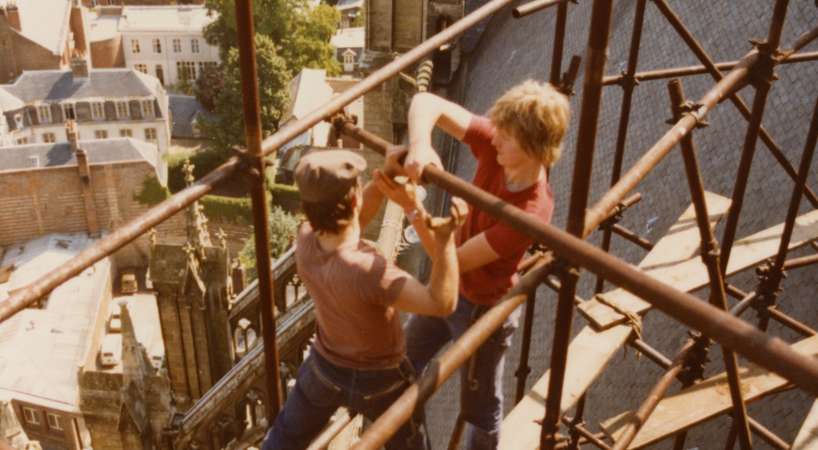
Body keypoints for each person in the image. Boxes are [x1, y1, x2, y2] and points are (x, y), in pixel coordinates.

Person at [375, 80, 570, 449]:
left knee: (480, 408)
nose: (494, 139)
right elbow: (425, 100)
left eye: (506, 137)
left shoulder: (529, 212)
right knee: (400, 371)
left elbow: (450, 261)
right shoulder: (498, 146)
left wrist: (412, 207)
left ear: (532, 148)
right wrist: (420, 143)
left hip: (481, 307)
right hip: (448, 294)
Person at [262, 149, 466, 450]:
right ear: (355, 200)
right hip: (380, 381)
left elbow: (353, 219)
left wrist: (387, 177)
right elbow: (441, 303)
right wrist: (445, 240)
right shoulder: (369, 270)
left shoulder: (304, 240)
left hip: (324, 369)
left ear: (308, 208)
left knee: (284, 438)